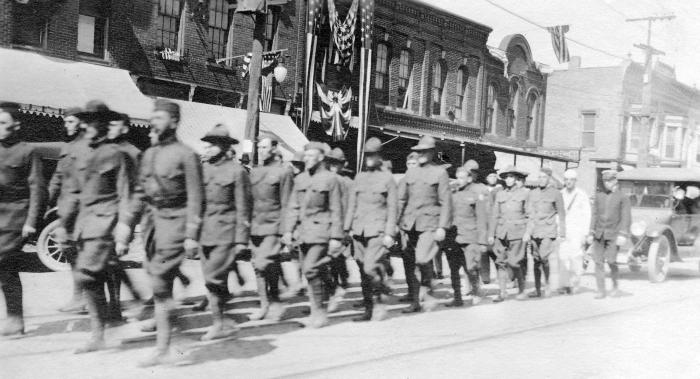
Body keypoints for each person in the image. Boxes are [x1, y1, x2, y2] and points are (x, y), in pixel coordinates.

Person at [131, 99, 204, 366]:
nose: (154, 122)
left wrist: (191, 235)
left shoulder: (187, 155)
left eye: (159, 118)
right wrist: (126, 225)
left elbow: (196, 197)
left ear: (174, 122)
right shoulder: (148, 154)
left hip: (175, 222)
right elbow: (139, 192)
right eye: (153, 117)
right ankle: (175, 339)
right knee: (159, 286)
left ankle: (165, 347)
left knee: (161, 283)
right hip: (152, 224)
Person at [66, 102, 137, 353]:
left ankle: (101, 331)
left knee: (87, 274)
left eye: (92, 121)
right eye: (85, 121)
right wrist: (66, 222)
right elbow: (73, 190)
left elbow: (127, 194)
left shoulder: (117, 154)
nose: (86, 125)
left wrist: (125, 229)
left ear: (104, 124)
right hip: (84, 226)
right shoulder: (83, 153)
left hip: (107, 222)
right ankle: (101, 331)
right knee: (91, 280)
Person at [197, 125, 250, 340]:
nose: (207, 149)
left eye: (211, 145)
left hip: (226, 233)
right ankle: (222, 321)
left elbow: (243, 208)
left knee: (213, 279)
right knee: (212, 280)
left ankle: (219, 323)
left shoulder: (237, 172)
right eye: (206, 145)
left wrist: (241, 241)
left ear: (222, 146)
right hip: (205, 233)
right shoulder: (204, 170)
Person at [282, 142, 344, 328]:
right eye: (305, 156)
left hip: (321, 233)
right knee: (310, 272)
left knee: (310, 269)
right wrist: (287, 230)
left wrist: (336, 237)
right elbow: (293, 206)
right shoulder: (300, 179)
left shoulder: (330, 179)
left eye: (311, 156)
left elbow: (336, 210)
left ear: (320, 158)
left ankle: (320, 311)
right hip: (303, 233)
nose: (307, 159)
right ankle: (318, 310)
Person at [0, 102, 46, 337]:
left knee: (4, 263)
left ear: (16, 125)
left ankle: (15, 318)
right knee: (4, 268)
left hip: (15, 217)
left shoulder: (28, 152)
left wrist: (31, 221)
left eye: (2, 123)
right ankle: (14, 317)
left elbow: (37, 189)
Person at [344, 138, 397, 322]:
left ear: (379, 156)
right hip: (359, 231)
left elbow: (392, 208)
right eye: (366, 154)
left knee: (369, 267)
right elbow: (352, 205)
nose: (368, 158)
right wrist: (346, 229)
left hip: (378, 230)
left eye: (372, 155)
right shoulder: (359, 177)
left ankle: (380, 303)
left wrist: (390, 233)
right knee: (362, 270)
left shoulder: (388, 179)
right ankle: (368, 308)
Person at [397, 136, 451, 313]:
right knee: (410, 263)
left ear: (432, 153)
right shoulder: (410, 173)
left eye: (424, 151)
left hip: (430, 223)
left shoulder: (440, 173)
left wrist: (442, 227)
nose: (420, 154)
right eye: (418, 151)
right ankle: (415, 301)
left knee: (422, 258)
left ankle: (427, 287)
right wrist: (396, 223)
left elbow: (446, 202)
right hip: (410, 224)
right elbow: (401, 199)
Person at [50, 106, 91, 314]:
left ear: (82, 123)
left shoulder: (87, 148)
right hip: (66, 209)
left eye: (71, 122)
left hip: (81, 211)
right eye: (66, 122)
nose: (66, 125)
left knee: (87, 256)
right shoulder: (67, 148)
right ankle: (79, 297)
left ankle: (96, 302)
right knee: (73, 255)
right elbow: (57, 178)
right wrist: (47, 202)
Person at [249, 137, 293, 321]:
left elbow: (287, 203)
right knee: (259, 267)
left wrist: (287, 231)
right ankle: (265, 304)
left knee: (264, 263)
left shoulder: (283, 173)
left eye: (264, 147)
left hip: (273, 225)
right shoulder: (255, 172)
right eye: (259, 147)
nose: (260, 150)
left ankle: (275, 301)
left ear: (274, 149)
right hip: (255, 225)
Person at [447, 166, 488, 306]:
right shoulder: (452, 193)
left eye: (462, 178)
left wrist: (482, 241)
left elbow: (482, 218)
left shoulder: (476, 194)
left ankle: (476, 293)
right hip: (454, 236)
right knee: (453, 268)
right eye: (457, 177)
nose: (459, 181)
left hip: (471, 237)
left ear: (469, 179)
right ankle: (457, 297)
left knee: (471, 267)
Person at [587, 169, 631, 299]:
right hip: (599, 234)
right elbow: (594, 215)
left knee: (611, 261)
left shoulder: (623, 197)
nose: (607, 183)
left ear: (615, 180)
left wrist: (623, 234)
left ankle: (615, 286)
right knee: (598, 262)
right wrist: (591, 232)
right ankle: (601, 290)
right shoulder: (599, 196)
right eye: (605, 181)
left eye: (609, 180)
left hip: (614, 235)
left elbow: (626, 217)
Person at [488, 165, 529, 302]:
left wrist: (527, 232)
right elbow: (495, 215)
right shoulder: (500, 194)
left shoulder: (524, 193)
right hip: (502, 233)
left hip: (518, 233)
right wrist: (491, 234)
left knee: (514, 262)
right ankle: (502, 292)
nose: (508, 179)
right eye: (506, 177)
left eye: (511, 177)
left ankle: (522, 289)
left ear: (516, 178)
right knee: (500, 262)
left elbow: (529, 215)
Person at [526, 169, 566, 298]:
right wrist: (528, 231)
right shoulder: (532, 193)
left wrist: (563, 232)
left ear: (549, 178)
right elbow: (529, 214)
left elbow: (561, 213)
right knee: (536, 260)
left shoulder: (556, 193)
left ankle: (547, 285)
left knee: (544, 258)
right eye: (539, 177)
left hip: (548, 231)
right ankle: (538, 289)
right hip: (535, 230)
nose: (541, 179)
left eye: (544, 177)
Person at [325, 147, 352, 312]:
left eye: (338, 163)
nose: (334, 166)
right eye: (332, 162)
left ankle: (332, 293)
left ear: (343, 164)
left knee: (332, 260)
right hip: (323, 225)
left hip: (339, 226)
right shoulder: (324, 179)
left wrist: (347, 229)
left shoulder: (347, 182)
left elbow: (349, 207)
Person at [558, 169, 591, 294]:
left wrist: (585, 233)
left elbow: (587, 214)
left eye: (571, 180)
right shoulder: (560, 194)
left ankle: (574, 283)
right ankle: (564, 284)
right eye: (566, 180)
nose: (568, 182)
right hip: (564, 231)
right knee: (563, 257)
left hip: (577, 231)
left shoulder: (581, 195)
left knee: (575, 257)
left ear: (575, 181)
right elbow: (558, 213)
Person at [481, 169, 502, 285]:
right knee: (484, 252)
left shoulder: (500, 189)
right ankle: (485, 277)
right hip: (484, 224)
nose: (493, 178)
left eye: (495, 176)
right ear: (486, 178)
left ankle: (501, 276)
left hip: (496, 224)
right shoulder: (483, 190)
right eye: (490, 176)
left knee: (496, 251)